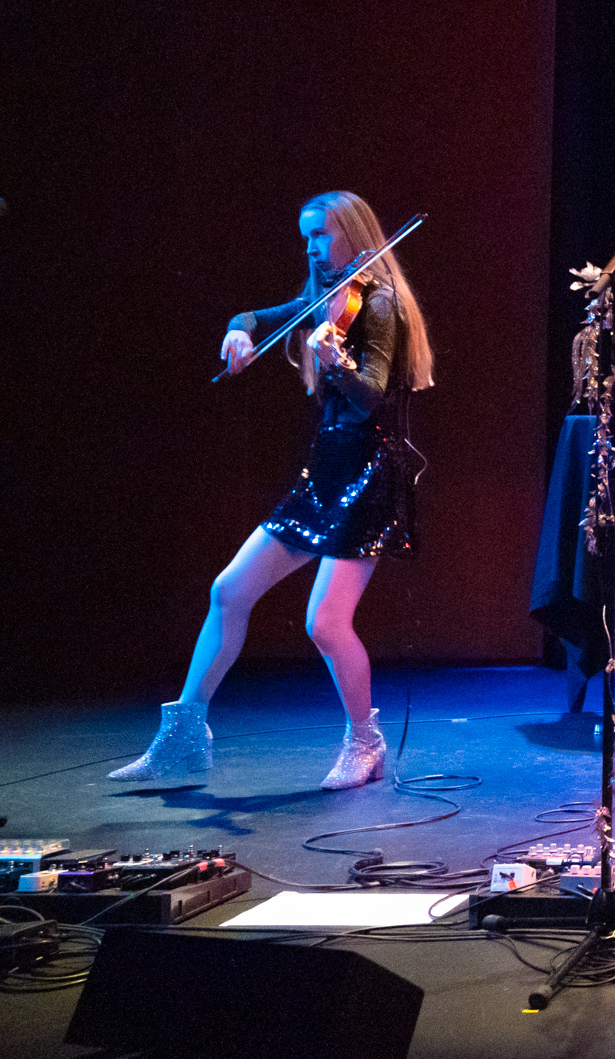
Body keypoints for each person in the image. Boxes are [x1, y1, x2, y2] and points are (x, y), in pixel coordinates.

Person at [112, 191, 433, 789]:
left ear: (354, 235)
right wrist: (237, 331)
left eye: (321, 235)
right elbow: (259, 317)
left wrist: (335, 362)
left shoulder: (379, 302)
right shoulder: (327, 294)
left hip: (367, 472)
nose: (311, 247)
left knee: (325, 623)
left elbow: (370, 401)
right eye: (305, 236)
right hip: (324, 471)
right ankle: (184, 736)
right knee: (229, 590)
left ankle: (365, 742)